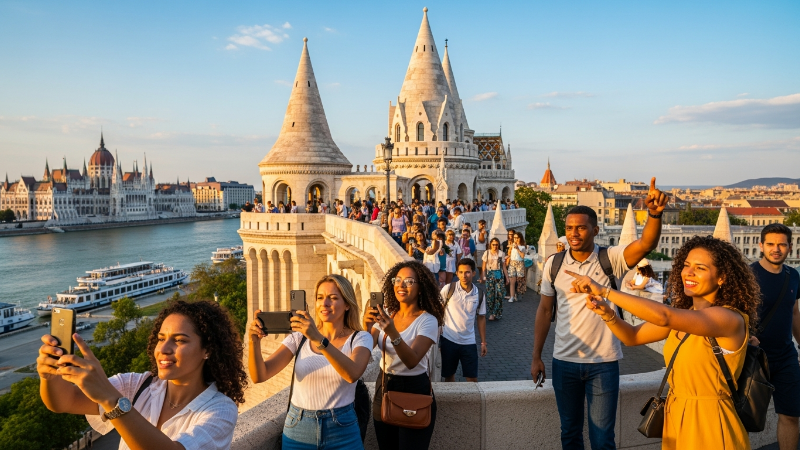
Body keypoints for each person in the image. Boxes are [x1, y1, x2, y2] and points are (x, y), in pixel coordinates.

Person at [573, 235, 760, 450]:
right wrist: (607, 313)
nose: (688, 272)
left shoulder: (729, 319)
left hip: (710, 420)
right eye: (686, 265)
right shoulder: (685, 315)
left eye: (700, 268)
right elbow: (632, 337)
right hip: (676, 416)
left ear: (722, 277)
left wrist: (605, 291)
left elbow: (664, 316)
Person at [531, 177, 667, 450]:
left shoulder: (611, 258)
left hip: (603, 363)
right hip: (564, 361)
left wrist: (653, 214)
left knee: (602, 438)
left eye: (581, 228)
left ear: (595, 230)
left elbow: (645, 245)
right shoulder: (553, 265)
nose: (573, 234)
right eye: (569, 228)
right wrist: (536, 356)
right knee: (569, 433)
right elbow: (545, 311)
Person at [37, 300, 247, 450]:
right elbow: (64, 401)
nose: (163, 349)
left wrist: (111, 400)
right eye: (161, 338)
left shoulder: (220, 409)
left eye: (180, 340)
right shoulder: (136, 385)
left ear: (207, 350)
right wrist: (50, 376)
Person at [248, 275, 372, 449]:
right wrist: (254, 342)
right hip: (298, 429)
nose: (325, 303)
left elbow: (352, 373)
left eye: (333, 298)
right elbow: (259, 375)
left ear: (347, 305)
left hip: (342, 430)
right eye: (320, 298)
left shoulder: (360, 338)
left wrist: (318, 338)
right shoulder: (299, 338)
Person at [364, 260, 445, 450]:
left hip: (414, 388)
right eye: (397, 279)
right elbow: (365, 352)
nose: (401, 285)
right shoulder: (387, 315)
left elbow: (412, 360)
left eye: (409, 281)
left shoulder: (428, 321)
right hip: (384, 385)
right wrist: (366, 328)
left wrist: (393, 333)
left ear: (421, 287)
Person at [750, 223, 800, 450]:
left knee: (791, 416)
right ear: (761, 245)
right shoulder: (748, 276)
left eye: (781, 244)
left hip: (786, 357)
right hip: (754, 358)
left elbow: (794, 312)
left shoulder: (793, 275)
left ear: (790, 247)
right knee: (744, 416)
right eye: (770, 244)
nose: (776, 249)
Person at [439, 259, 487, 382]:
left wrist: (483, 342)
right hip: (449, 340)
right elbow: (437, 309)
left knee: (472, 379)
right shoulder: (448, 289)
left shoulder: (479, 294)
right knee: (449, 377)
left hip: (469, 342)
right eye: (461, 272)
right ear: (457, 273)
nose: (464, 276)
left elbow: (481, 318)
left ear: (473, 273)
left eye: (467, 272)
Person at [481, 237, 508, 321]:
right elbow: (483, 265)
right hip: (490, 275)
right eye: (493, 244)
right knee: (490, 295)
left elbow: (503, 266)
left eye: (496, 245)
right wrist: (483, 276)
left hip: (499, 275)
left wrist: (507, 278)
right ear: (490, 245)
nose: (495, 246)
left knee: (499, 295)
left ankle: (497, 313)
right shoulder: (487, 253)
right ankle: (491, 313)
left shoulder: (501, 253)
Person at [506, 231, 527, 303]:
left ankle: (518, 294)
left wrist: (517, 248)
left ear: (520, 238)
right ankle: (512, 296)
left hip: (519, 263)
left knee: (519, 280)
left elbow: (522, 256)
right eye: (514, 238)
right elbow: (509, 254)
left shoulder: (523, 247)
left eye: (517, 238)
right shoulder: (512, 245)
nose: (515, 239)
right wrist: (510, 249)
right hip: (512, 262)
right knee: (512, 280)